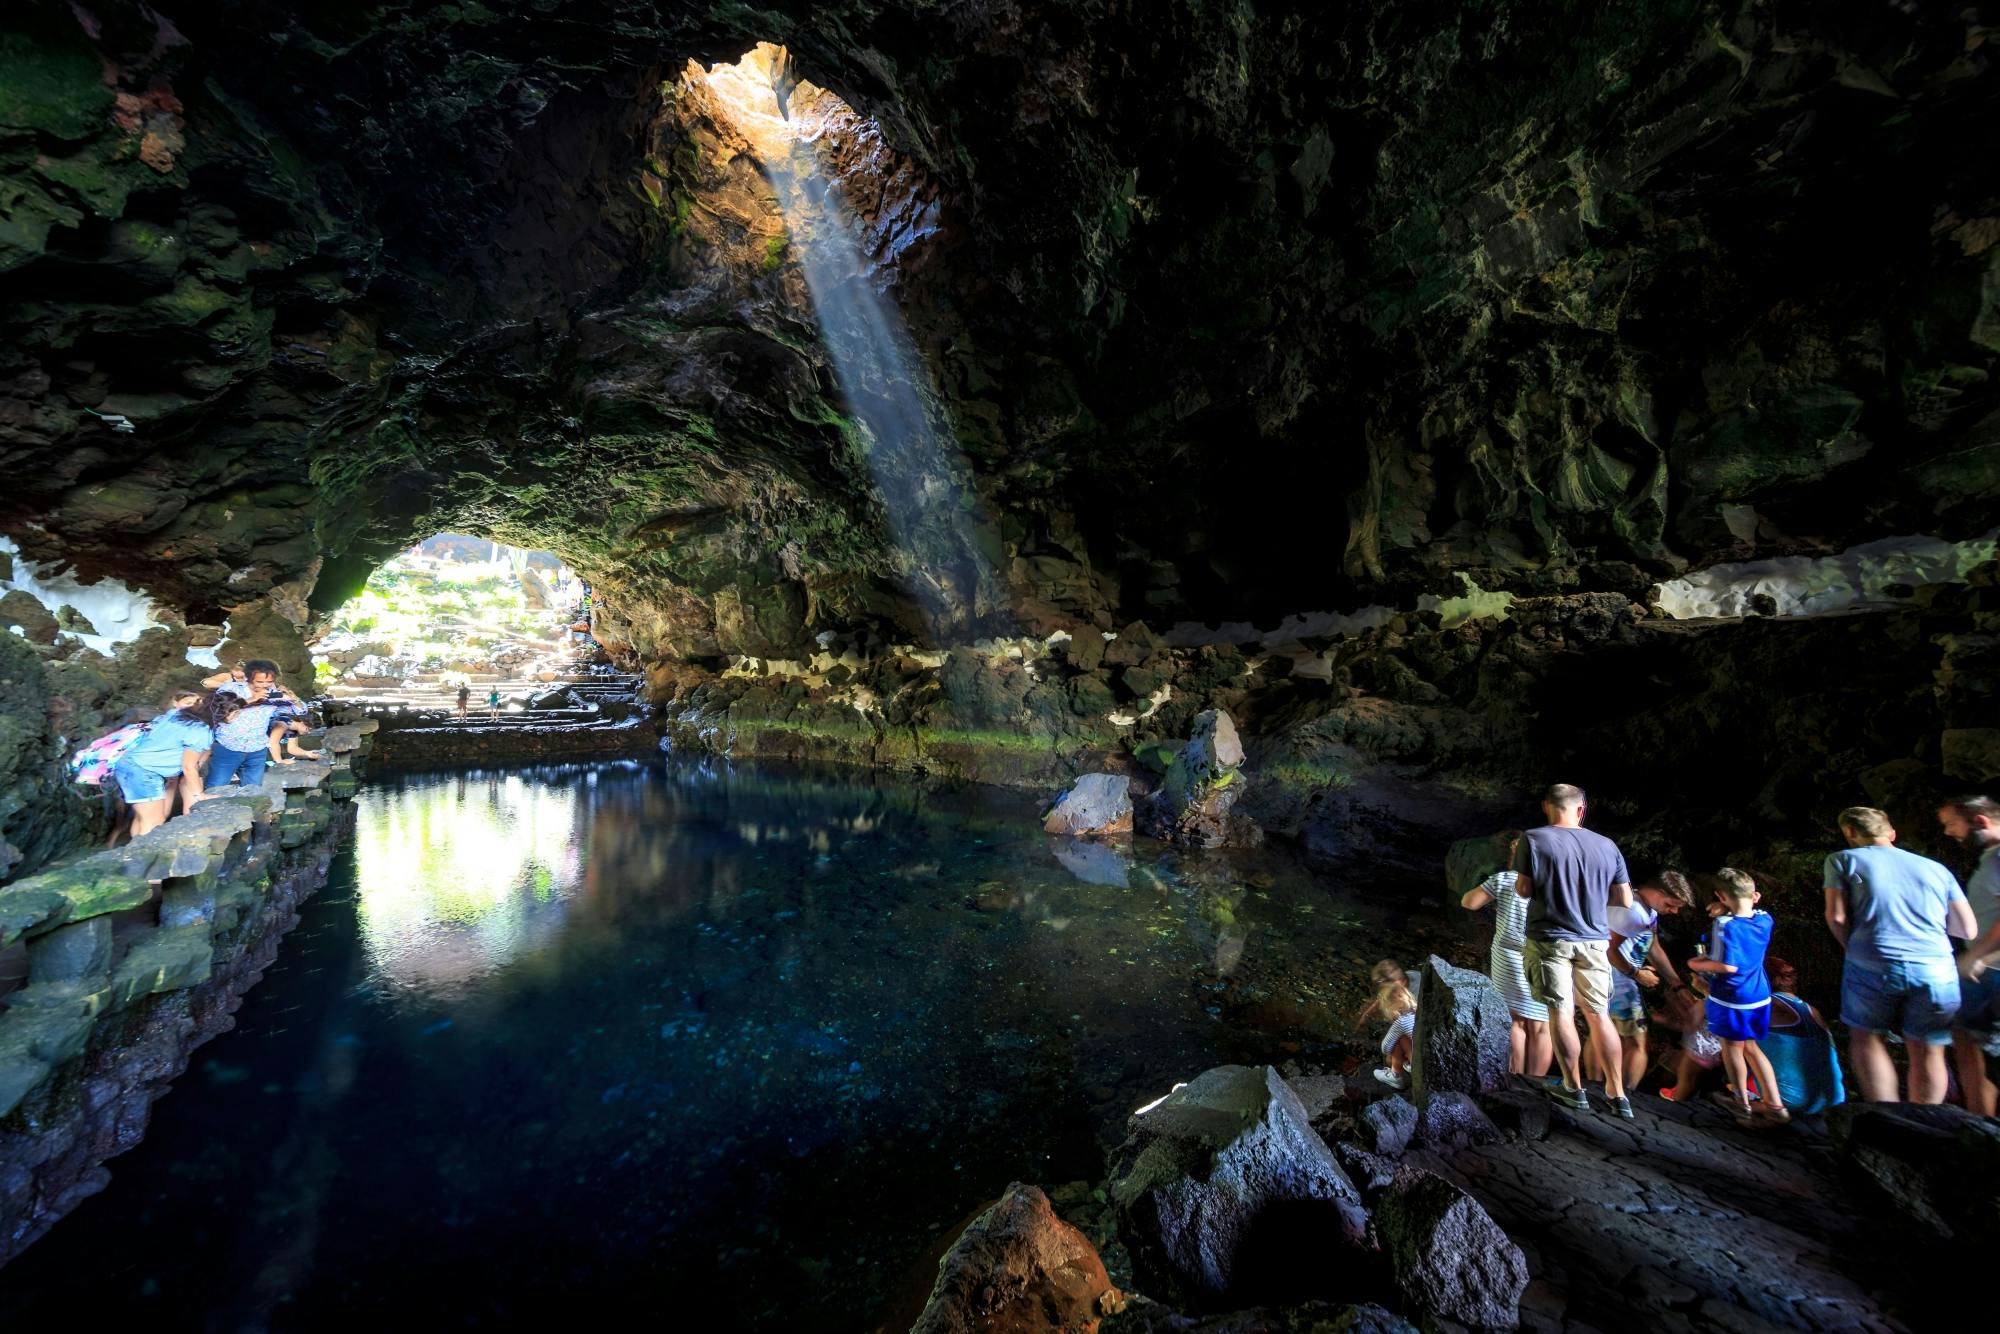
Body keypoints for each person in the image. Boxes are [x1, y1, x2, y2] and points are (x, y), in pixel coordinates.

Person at [1823, 806, 1977, 1104]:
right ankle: (1924, 1120)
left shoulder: (1843, 860)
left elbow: (1837, 916)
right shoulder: (1936, 869)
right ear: (1892, 834)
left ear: (1851, 833)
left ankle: (1887, 1116)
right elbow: (1966, 929)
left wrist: (1849, 948)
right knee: (1929, 1048)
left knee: (1867, 1038)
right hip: (1936, 970)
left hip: (1872, 962)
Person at [1515, 782, 1638, 1118]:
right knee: (1599, 1014)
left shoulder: (1534, 839)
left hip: (1550, 939)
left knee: (1561, 1012)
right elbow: (1625, 900)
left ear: (1546, 806)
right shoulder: (1607, 845)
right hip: (1595, 941)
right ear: (1581, 809)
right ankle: (1617, 1093)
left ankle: (1574, 1088)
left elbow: (1524, 889)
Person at [1688, 868, 1788, 1127]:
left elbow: (1728, 966)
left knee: (1732, 1049)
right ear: (1755, 896)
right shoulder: (1765, 919)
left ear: (1720, 895)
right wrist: (1727, 908)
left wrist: (1697, 965)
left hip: (1732, 997)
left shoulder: (1724, 926)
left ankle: (1742, 1104)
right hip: (1759, 995)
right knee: (1752, 1048)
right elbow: (1746, 918)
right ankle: (1776, 1105)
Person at [1459, 829, 1552, 1076]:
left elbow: (1469, 902)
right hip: (1545, 959)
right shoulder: (1553, 886)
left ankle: (1516, 1080)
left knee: (1515, 1022)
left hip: (1508, 958)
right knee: (1543, 1026)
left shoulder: (1504, 880)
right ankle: (1538, 1084)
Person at [1598, 870, 1696, 1091]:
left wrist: (1677, 984)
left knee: (1606, 1035)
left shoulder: (1645, 909)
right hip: (1616, 980)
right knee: (1638, 1044)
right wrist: (1637, 973)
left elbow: (1654, 947)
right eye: (1672, 904)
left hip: (1615, 978)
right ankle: (1623, 1094)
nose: (1674, 911)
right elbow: (1608, 950)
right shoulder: (1632, 912)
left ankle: (1600, 1088)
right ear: (1659, 892)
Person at [1938, 795, 2000, 1117]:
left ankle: (1980, 1126)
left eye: (1952, 823)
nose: (1949, 832)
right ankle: (1981, 1125)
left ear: (1980, 821)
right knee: (1969, 1042)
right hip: (1988, 969)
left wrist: (1975, 954)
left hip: (1991, 969)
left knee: (1970, 1043)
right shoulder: (1991, 858)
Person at [112, 689, 239, 837]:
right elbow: (189, 766)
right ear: (222, 713)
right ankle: (143, 857)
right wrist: (200, 795)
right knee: (154, 821)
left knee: (144, 817)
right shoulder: (201, 731)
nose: (238, 716)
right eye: (236, 713)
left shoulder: (177, 714)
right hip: (142, 771)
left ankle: (132, 853)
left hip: (131, 764)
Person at [1762, 957, 1847, 1116]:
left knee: (1736, 1041)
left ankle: (1747, 1104)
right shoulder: (1812, 1010)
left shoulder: (1769, 1005)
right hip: (1833, 1101)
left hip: (1794, 1102)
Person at [1354, 959, 1418, 1089]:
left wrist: (1392, 1053)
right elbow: (1381, 1000)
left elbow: (1386, 1047)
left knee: (1390, 1059)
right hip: (1416, 1033)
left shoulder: (1418, 990)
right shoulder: (1406, 978)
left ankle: (1399, 1075)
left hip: (1417, 1040)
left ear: (1399, 982)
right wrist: (1364, 1020)